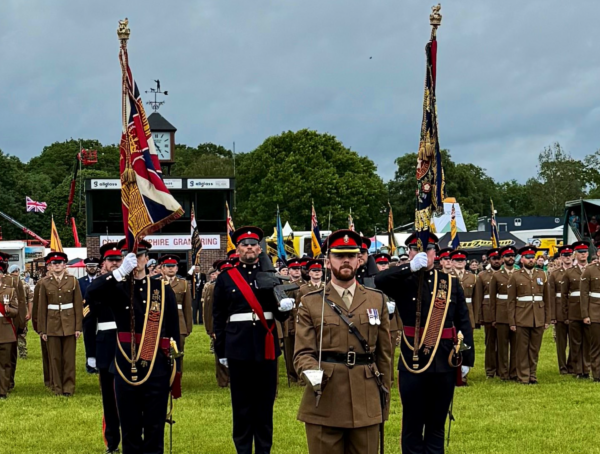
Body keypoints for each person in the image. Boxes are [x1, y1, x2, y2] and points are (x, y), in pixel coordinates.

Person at [294, 230, 392, 454]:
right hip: (326, 396)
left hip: (365, 397)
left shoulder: (377, 300)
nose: (345, 260)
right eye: (339, 256)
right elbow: (302, 353)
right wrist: (312, 373)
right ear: (327, 262)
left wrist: (383, 401)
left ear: (360, 259)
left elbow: (384, 356)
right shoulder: (311, 303)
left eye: (351, 255)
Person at [375, 232, 474, 452]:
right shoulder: (403, 281)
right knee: (412, 423)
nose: (423, 253)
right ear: (409, 252)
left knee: (437, 423)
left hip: (444, 361)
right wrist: (408, 268)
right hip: (414, 361)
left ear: (435, 253)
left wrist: (466, 356)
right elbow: (379, 280)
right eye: (415, 249)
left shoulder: (450, 283)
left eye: (428, 249)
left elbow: (463, 322)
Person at [86, 239, 182, 454]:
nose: (135, 260)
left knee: (155, 426)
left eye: (139, 255)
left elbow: (174, 332)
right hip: (124, 365)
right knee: (129, 427)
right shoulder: (115, 287)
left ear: (147, 259)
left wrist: (177, 368)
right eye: (128, 256)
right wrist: (120, 272)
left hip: (156, 365)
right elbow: (91, 294)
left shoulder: (162, 289)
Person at [213, 226, 293, 454]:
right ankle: (243, 449)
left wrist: (285, 308)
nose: (249, 247)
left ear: (260, 248)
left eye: (253, 244)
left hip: (265, 345)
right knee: (241, 405)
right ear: (237, 249)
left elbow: (279, 312)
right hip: (238, 347)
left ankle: (264, 450)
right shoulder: (227, 278)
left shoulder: (270, 275)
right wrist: (222, 351)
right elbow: (218, 317)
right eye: (244, 244)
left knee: (265, 404)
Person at [82, 243, 122, 454]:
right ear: (103, 263)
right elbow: (88, 323)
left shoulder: (130, 282)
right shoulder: (97, 285)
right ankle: (112, 441)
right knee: (109, 397)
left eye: (118, 259)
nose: (115, 263)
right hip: (106, 344)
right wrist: (90, 354)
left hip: (128, 344)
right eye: (111, 260)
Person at [37, 251, 83, 396]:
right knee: (54, 358)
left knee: (69, 359)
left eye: (60, 263)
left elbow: (78, 306)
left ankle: (68, 388)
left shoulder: (73, 281)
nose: (57, 266)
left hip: (69, 324)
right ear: (50, 266)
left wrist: (78, 327)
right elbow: (41, 308)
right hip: (52, 324)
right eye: (54, 264)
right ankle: (57, 388)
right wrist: (42, 330)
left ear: (64, 265)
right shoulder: (45, 283)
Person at [508, 245, 550, 384]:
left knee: (534, 349)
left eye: (533, 258)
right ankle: (523, 376)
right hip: (521, 316)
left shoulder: (541, 274)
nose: (531, 260)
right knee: (522, 348)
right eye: (528, 258)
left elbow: (546, 298)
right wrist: (512, 321)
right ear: (522, 260)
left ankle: (533, 374)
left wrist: (547, 318)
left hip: (538, 316)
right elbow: (511, 300)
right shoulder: (515, 276)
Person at [562, 241, 592, 379]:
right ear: (575, 254)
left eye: (585, 252)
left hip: (590, 310)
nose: (583, 255)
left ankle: (586, 368)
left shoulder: (592, 269)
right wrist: (566, 313)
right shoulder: (569, 272)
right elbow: (564, 295)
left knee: (588, 341)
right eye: (580, 253)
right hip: (574, 310)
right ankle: (577, 369)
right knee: (575, 341)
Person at [489, 246, 518, 381]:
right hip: (501, 313)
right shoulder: (496, 275)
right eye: (507, 256)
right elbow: (492, 298)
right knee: (502, 346)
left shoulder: (519, 273)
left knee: (516, 345)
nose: (510, 258)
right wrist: (494, 317)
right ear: (502, 259)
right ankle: (503, 372)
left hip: (518, 313)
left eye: (512, 255)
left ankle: (514, 372)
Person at [474, 248, 502, 379]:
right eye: (494, 259)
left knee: (503, 342)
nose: (497, 261)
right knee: (490, 342)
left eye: (499, 258)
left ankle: (503, 369)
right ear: (489, 260)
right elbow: (478, 297)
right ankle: (490, 370)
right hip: (488, 312)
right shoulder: (482, 275)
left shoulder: (508, 274)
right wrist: (479, 317)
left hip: (503, 312)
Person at [159, 254, 193, 362]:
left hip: (179, 323)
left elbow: (187, 307)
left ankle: (178, 375)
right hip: (161, 322)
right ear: (162, 268)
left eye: (173, 266)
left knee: (178, 352)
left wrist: (188, 327)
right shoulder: (156, 283)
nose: (170, 268)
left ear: (177, 268)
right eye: (167, 266)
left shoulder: (183, 284)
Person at [203, 261, 231, 388]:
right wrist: (211, 329)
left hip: (235, 324)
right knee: (221, 352)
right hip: (220, 324)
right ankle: (223, 380)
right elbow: (210, 310)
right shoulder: (214, 287)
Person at [548, 245, 573, 375]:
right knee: (561, 342)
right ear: (561, 257)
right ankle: (562, 367)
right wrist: (552, 315)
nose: (567, 257)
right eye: (565, 255)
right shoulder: (555, 274)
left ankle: (572, 365)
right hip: (559, 310)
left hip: (574, 309)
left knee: (575, 341)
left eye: (569, 255)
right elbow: (551, 295)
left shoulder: (578, 272)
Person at [281, 258, 307, 384]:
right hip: (287, 321)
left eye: (298, 269)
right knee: (288, 349)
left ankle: (300, 375)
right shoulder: (283, 285)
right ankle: (291, 375)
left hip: (300, 320)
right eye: (294, 269)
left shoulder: (305, 285)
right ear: (289, 271)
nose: (297, 271)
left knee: (301, 349)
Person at [0, 260, 18, 399]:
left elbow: (16, 310)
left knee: (5, 363)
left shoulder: (9, 291)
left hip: (5, 330)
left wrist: (8, 310)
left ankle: (2, 390)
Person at [79, 257, 101, 374]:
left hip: (102, 314)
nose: (92, 268)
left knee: (101, 339)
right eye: (89, 266)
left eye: (94, 266)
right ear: (86, 267)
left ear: (97, 267)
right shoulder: (80, 281)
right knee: (89, 339)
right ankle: (90, 363)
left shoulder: (102, 280)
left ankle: (100, 362)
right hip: (87, 314)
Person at [450, 250, 476, 331]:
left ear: (465, 262)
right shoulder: (447, 276)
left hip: (468, 311)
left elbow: (476, 298)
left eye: (462, 260)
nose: (460, 262)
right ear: (452, 262)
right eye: (457, 260)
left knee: (468, 340)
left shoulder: (473, 277)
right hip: (452, 311)